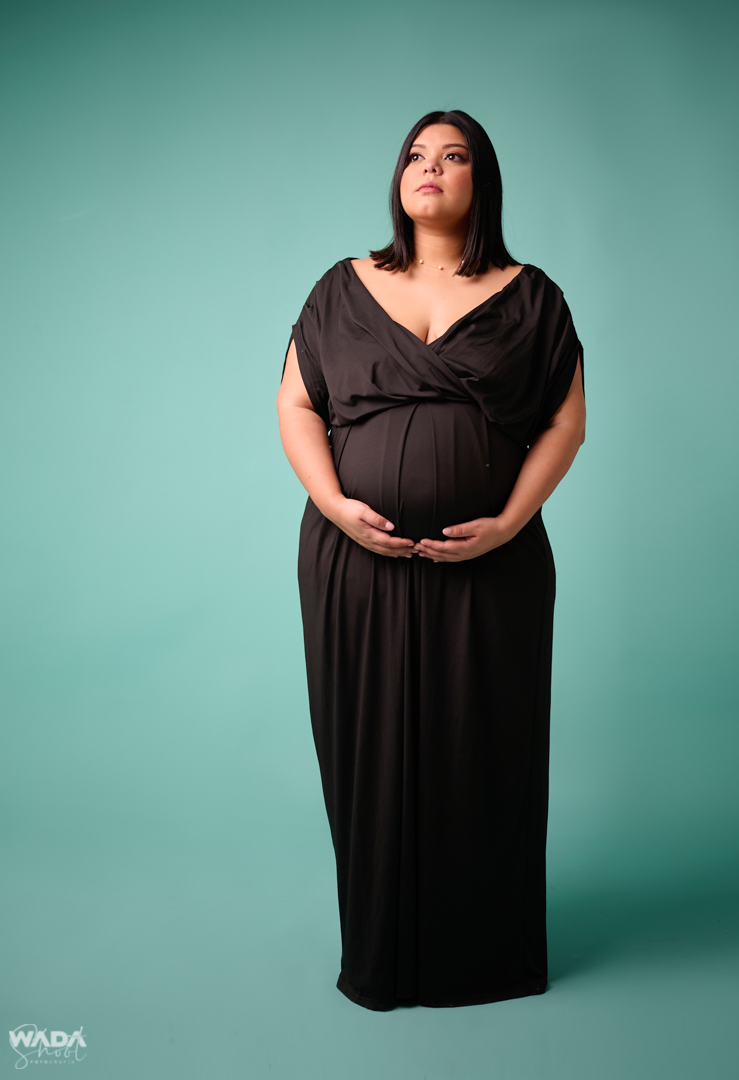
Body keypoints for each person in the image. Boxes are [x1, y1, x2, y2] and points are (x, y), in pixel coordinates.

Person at [276, 109, 586, 1011]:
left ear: (482, 181)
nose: (431, 168)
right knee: (368, 759)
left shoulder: (533, 297)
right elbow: (297, 405)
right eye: (417, 154)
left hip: (493, 567)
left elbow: (566, 424)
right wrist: (336, 506)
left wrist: (508, 523)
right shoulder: (341, 287)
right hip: (355, 564)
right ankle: (383, 957)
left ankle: (484, 962)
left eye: (454, 156)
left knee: (484, 753)